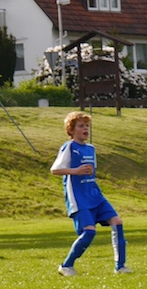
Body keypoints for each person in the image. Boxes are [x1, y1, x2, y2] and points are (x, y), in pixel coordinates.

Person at [51, 111, 131, 276]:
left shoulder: (90, 149)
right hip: (79, 197)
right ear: (71, 130)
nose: (85, 129)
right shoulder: (69, 147)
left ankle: (120, 266)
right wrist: (75, 171)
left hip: (95, 195)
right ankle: (66, 266)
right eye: (81, 126)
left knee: (117, 222)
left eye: (87, 126)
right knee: (89, 232)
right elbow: (55, 170)